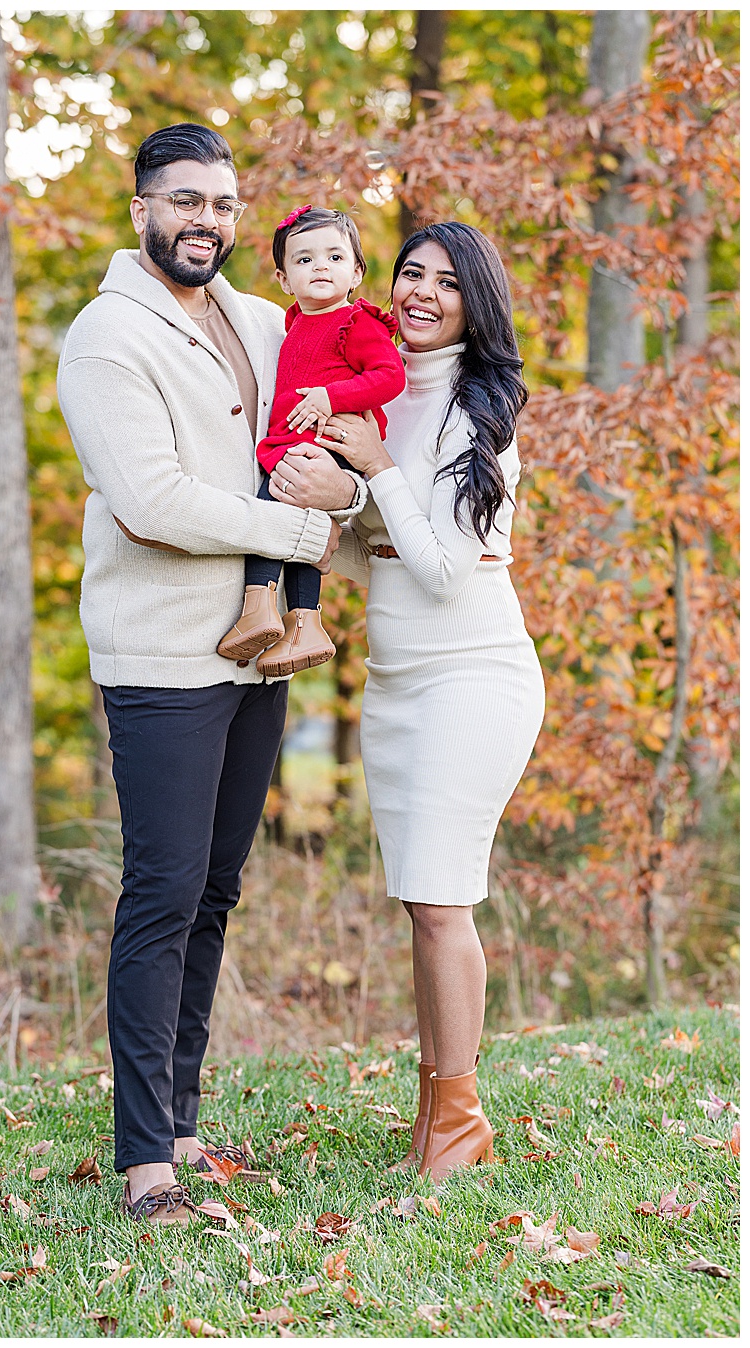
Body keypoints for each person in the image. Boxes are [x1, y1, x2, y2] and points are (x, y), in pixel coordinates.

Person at [55, 123, 366, 1225]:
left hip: (263, 648)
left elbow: (324, 444)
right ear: (140, 206)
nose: (207, 222)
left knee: (219, 888)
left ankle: (182, 1119)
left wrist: (345, 494)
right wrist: (294, 526)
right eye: (184, 201)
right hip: (163, 655)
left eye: (225, 205)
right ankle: (147, 1164)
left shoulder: (263, 318)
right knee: (163, 891)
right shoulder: (105, 337)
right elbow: (152, 499)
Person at [292, 221, 541, 1180]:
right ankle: (441, 1110)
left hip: (474, 675)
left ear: (477, 303)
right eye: (411, 274)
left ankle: (457, 1121)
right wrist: (334, 502)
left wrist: (375, 473)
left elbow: (440, 574)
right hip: (397, 685)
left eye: (447, 281)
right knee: (422, 905)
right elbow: (383, 562)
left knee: (443, 904)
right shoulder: (379, 397)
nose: (422, 292)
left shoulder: (480, 423)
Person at [219, 205, 404, 676]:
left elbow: (389, 377)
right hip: (295, 444)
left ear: (357, 271)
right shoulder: (293, 322)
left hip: (327, 448)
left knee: (272, 510)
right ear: (283, 279)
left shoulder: (356, 324)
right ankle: (305, 624)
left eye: (335, 257)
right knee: (302, 533)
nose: (320, 266)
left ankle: (258, 607)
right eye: (304, 260)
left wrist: (330, 395)